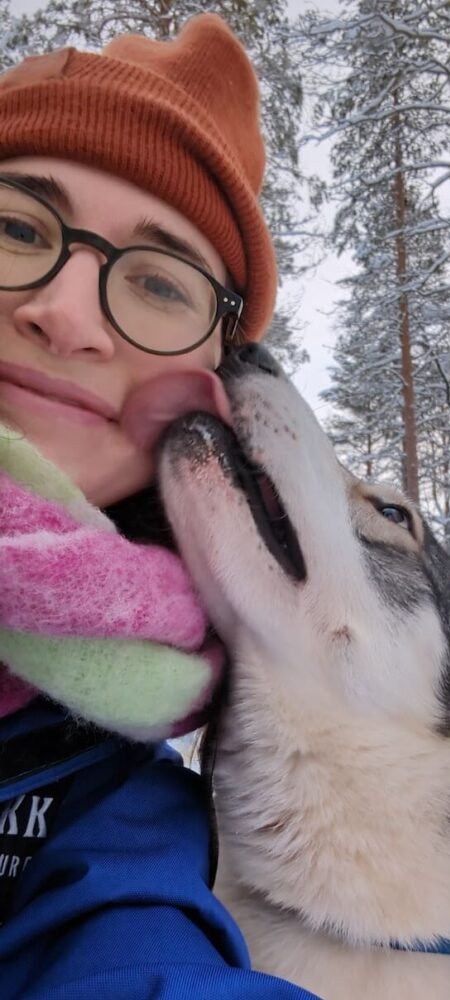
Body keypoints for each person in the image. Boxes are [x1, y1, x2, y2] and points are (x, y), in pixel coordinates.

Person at [0, 14, 319, 999]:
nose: (66, 312)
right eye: (16, 227)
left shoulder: (95, 776)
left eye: (155, 283)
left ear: (202, 396)